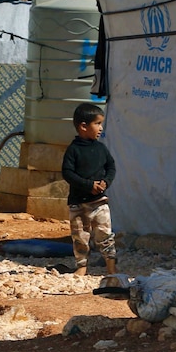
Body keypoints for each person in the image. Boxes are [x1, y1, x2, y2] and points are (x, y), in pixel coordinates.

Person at [59, 103, 117, 276]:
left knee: (105, 235)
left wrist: (106, 182)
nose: (100, 128)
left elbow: (111, 167)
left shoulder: (101, 149)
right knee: (80, 237)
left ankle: (111, 268)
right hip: (78, 204)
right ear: (83, 126)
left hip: (99, 203)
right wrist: (88, 185)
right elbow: (67, 173)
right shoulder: (73, 150)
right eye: (97, 124)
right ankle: (82, 266)